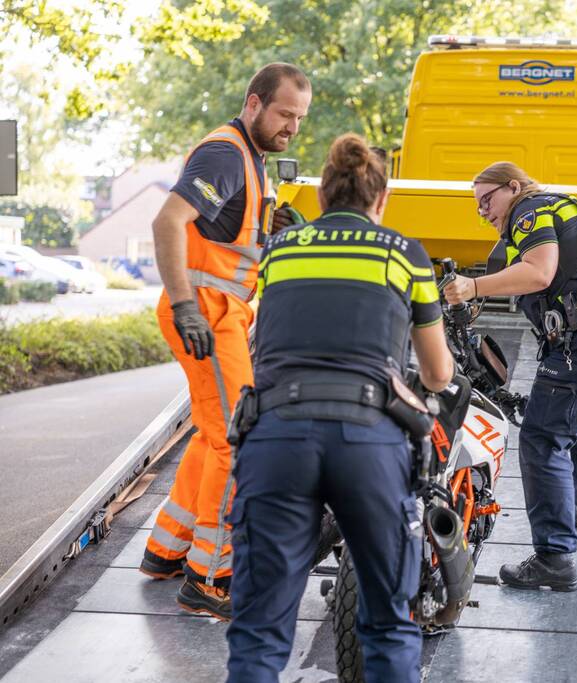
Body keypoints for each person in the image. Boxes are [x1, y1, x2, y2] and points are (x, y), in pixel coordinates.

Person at [226, 133, 454, 683]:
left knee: (258, 631)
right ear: (381, 201)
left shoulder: (281, 251)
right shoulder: (405, 254)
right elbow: (438, 374)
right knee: (387, 623)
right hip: (368, 440)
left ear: (323, 197)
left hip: (277, 433)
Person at [139, 63, 312, 620]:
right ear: (255, 103)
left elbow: (224, 235)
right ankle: (211, 576)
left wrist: (269, 225)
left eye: (300, 119)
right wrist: (186, 304)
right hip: (207, 315)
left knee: (215, 435)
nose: (292, 127)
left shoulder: (250, 160)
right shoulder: (224, 153)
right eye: (285, 114)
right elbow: (168, 224)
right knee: (241, 441)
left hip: (220, 314)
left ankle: (168, 549)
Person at [443, 161, 577, 591]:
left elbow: (540, 272)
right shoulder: (567, 211)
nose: (484, 212)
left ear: (513, 187)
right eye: (477, 207)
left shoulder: (531, 210)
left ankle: (554, 558)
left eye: (487, 200)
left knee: (544, 438)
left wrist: (472, 288)